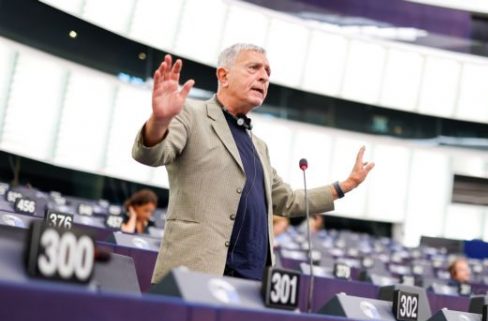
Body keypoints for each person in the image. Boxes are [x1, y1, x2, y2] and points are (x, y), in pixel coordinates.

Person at [132, 43, 374, 283]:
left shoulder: (259, 147)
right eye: (254, 68)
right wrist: (159, 121)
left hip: (253, 281)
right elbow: (151, 154)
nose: (264, 77)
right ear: (223, 76)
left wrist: (345, 186)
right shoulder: (190, 115)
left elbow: (288, 201)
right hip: (196, 274)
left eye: (267, 72)